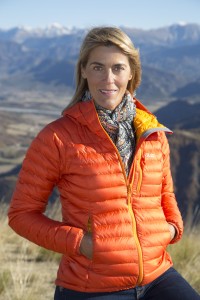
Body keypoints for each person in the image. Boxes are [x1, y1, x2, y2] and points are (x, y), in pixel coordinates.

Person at [8, 26, 200, 300]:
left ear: (132, 72)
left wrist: (171, 228)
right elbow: (21, 215)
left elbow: (165, 194)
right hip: (92, 285)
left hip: (158, 277)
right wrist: (82, 244)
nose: (108, 78)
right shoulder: (57, 137)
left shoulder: (152, 132)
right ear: (84, 70)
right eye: (98, 67)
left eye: (118, 68)